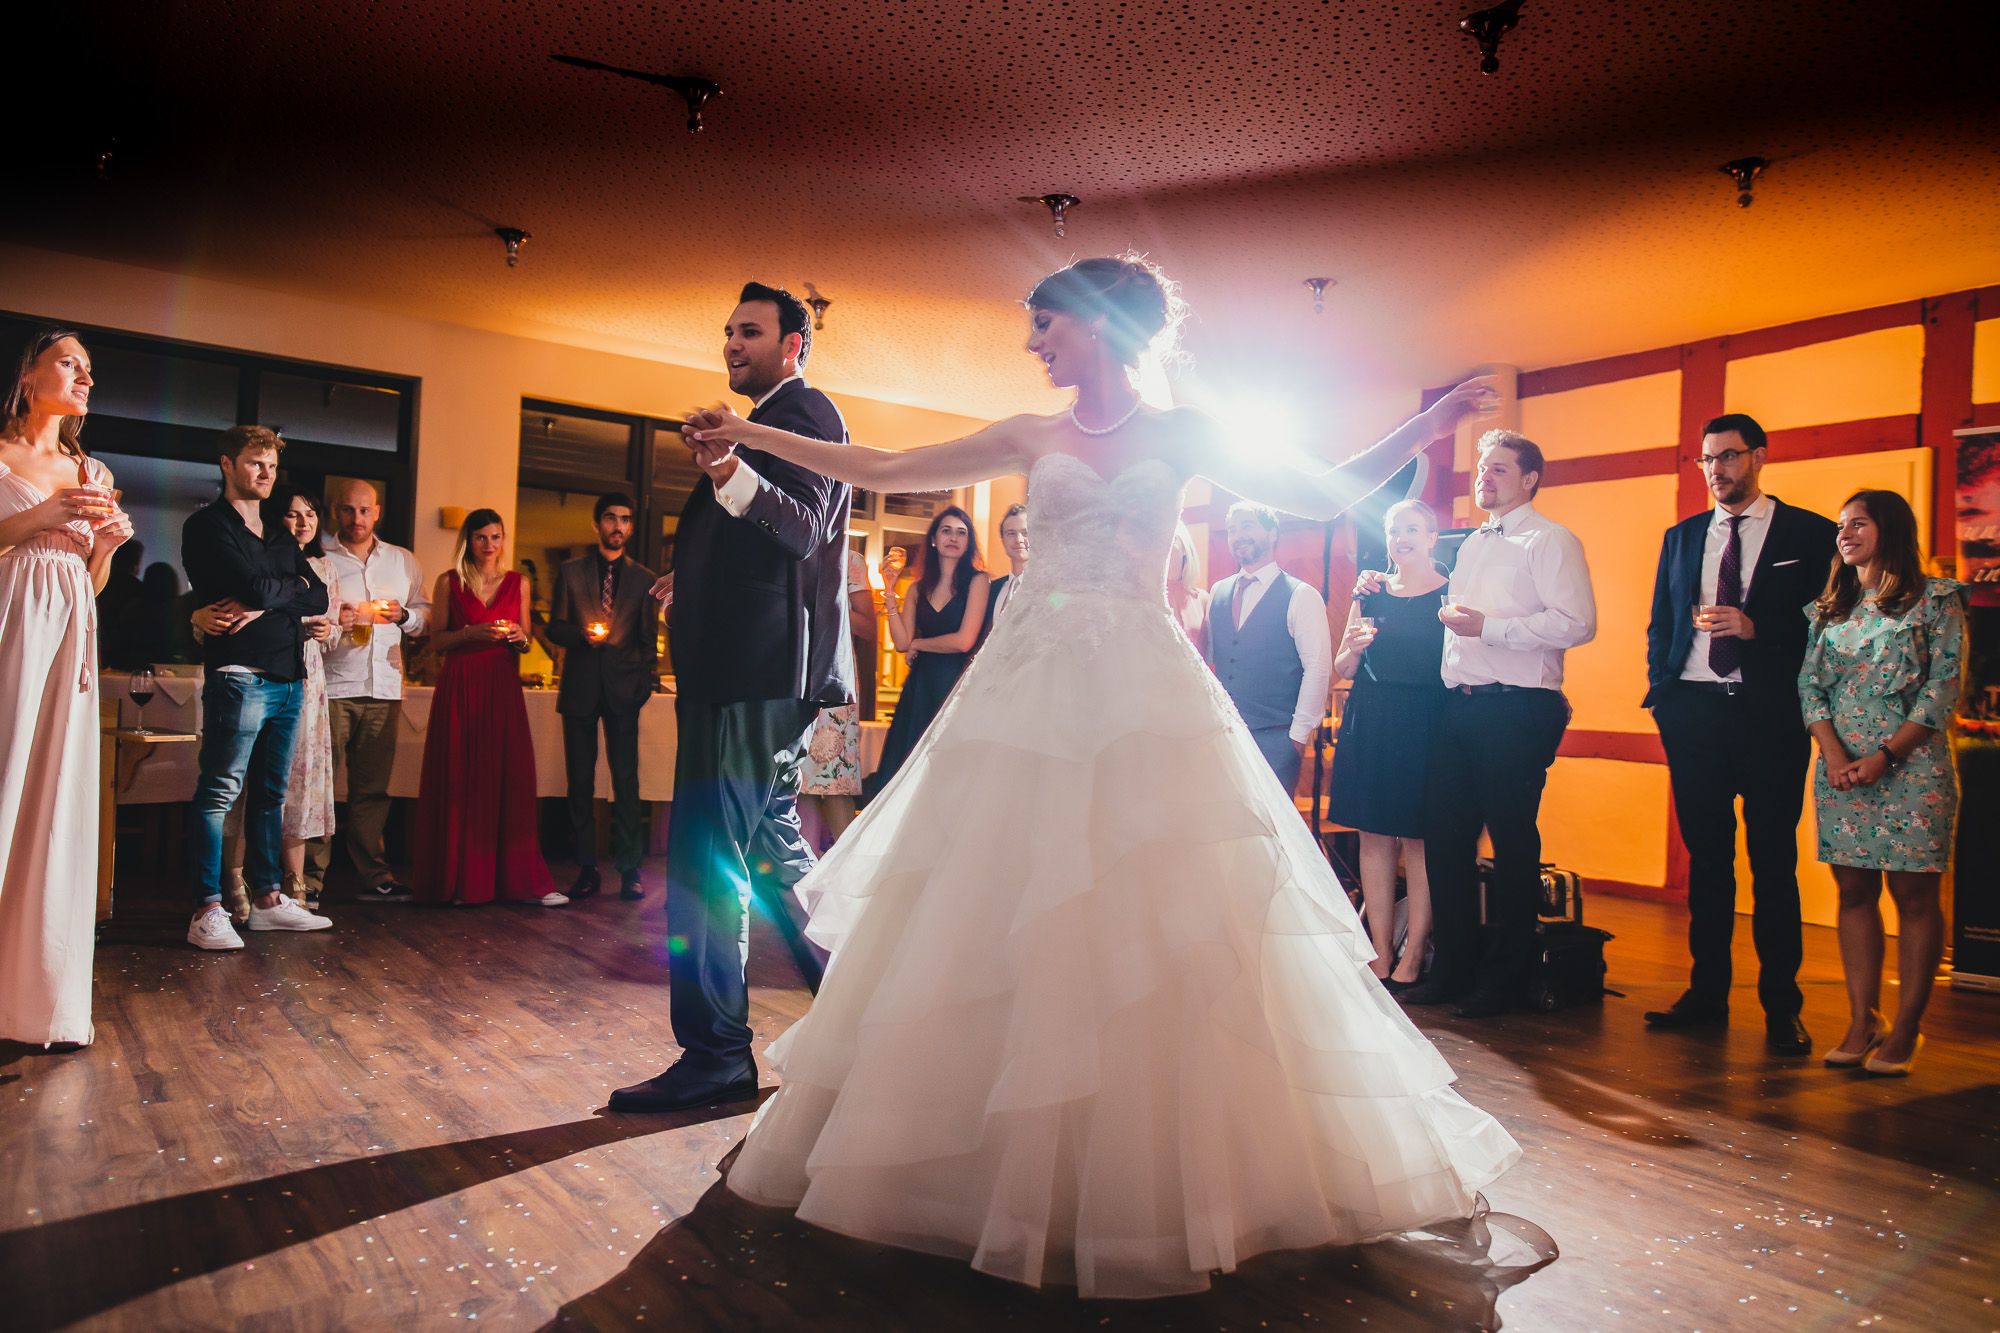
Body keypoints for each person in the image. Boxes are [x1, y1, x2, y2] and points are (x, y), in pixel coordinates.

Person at [676, 256, 1510, 1297]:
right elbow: (886, 464)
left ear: (1105, 326)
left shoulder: (1185, 433)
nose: (1033, 345)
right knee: (1000, 908)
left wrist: (1425, 433)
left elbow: (1317, 489)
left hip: (1145, 691)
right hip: (1026, 691)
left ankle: (1159, 1176)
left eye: (1047, 325)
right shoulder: (1033, 434)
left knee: (1159, 918)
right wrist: (745, 433)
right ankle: (980, 1169)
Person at [610, 281, 853, 1115]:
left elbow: (800, 527)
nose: (731, 343)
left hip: (755, 682)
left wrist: (725, 465)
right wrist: (697, 573)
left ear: (794, 344)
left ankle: (715, 1053)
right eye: (726, 331)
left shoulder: (808, 413)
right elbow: (764, 551)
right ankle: (864, 1017)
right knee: (777, 855)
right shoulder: (772, 422)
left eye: (749, 331)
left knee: (706, 865)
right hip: (746, 675)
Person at [1640, 415, 1838, 1056]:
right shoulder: (1682, 536)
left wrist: (1759, 632)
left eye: (1727, 457)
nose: (1716, 470)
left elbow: (1829, 631)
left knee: (1773, 864)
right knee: (1708, 863)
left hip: (1770, 716)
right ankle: (1706, 994)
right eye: (1706, 460)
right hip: (1693, 713)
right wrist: (1663, 695)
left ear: (1758, 457)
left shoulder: (1811, 534)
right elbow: (1661, 624)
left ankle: (1783, 1008)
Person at [1397, 430, 1595, 1020]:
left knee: (1511, 844)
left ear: (1530, 479)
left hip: (1516, 707)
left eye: (1500, 469)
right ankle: (1453, 968)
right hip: (1459, 706)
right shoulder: (1473, 544)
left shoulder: (1550, 539)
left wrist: (1490, 628)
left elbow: (1576, 623)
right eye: (1483, 468)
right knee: (1446, 839)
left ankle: (1506, 977)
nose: (1486, 477)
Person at [1800, 490, 1966, 1077]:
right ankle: (1861, 1019)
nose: (1844, 533)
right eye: (1841, 525)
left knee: (1915, 897)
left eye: (1858, 523)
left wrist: (1885, 757)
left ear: (1889, 528)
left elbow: (1942, 688)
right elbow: (1810, 688)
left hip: (1912, 768)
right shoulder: (1828, 609)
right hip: (1840, 770)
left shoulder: (1935, 600)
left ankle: (1908, 1029)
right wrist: (1836, 751)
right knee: (1853, 893)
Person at [0, 329, 132, 1048]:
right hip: (10, 621)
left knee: (54, 800)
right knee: (4, 784)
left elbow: (88, 580)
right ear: (27, 372)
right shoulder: (0, 454)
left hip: (71, 630)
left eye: (90, 369)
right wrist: (41, 517)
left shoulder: (92, 467)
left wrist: (104, 544)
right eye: (70, 362)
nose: (84, 376)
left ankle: (32, 1002)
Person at [181, 427, 333, 950]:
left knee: (270, 795)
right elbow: (256, 586)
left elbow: (316, 598)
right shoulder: (207, 527)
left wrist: (273, 596)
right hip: (240, 676)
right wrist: (280, 591)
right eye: (254, 464)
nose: (265, 474)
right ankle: (206, 908)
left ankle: (267, 902)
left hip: (290, 677)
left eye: (270, 465)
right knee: (219, 792)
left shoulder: (277, 529)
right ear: (228, 464)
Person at [414, 508, 563, 907]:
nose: (490, 545)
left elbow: (528, 640)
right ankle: (459, 879)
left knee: (508, 774)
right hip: (461, 684)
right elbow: (436, 641)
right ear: (469, 540)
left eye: (496, 537)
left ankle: (517, 878)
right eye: (481, 537)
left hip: (501, 685)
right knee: (459, 774)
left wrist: (518, 636)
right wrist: (470, 632)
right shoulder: (450, 582)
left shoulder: (519, 583)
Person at [1330, 500, 1449, 992]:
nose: (1402, 537)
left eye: (1413, 529)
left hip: (1428, 720)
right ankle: (1379, 948)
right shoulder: (1370, 591)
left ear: (1431, 537)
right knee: (1374, 836)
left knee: (1421, 839)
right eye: (1394, 529)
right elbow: (1343, 667)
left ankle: (1415, 948)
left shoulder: (1451, 594)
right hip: (1371, 716)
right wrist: (1354, 646)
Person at [317, 478, 430, 902]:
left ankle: (373, 876)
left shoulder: (402, 561)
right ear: (334, 511)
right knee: (320, 787)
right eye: (348, 510)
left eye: (364, 510)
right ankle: (308, 880)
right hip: (332, 686)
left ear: (377, 512)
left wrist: (403, 616)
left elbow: (425, 617)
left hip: (384, 688)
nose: (357, 519)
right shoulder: (318, 558)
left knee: (373, 791)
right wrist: (333, 618)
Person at [546, 492, 657, 901]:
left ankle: (630, 870)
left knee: (626, 781)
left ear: (630, 527)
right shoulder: (570, 572)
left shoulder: (645, 579)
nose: (617, 526)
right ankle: (587, 867)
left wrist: (643, 684)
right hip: (579, 687)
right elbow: (554, 628)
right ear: (597, 524)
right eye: (610, 518)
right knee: (580, 781)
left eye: (624, 520)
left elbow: (650, 641)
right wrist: (581, 635)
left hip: (625, 690)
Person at [1204, 500, 1334, 797]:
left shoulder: (1302, 596)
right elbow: (1210, 660)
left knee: (1273, 836)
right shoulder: (1217, 592)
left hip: (1276, 740)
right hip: (1224, 738)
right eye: (1231, 530)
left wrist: (1297, 739)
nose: (1238, 536)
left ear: (1272, 533)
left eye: (1247, 526)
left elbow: (1317, 670)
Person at [864, 505, 990, 798]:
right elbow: (900, 642)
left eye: (962, 533)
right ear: (933, 538)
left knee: (944, 769)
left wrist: (919, 644)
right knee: (906, 766)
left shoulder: (978, 581)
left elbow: (964, 641)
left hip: (955, 683)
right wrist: (890, 587)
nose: (954, 538)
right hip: (920, 686)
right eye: (946, 530)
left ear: (968, 541)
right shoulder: (917, 589)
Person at [799, 549, 875, 844]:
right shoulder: (787, 552)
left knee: (834, 779)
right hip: (790, 674)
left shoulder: (848, 559)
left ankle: (845, 874)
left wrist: (831, 599)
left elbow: (869, 628)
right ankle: (800, 876)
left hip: (832, 678)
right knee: (796, 779)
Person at [96, 540, 148, 669]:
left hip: (102, 653)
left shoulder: (101, 587)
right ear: (135, 563)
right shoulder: (141, 591)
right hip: (131, 657)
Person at [983, 501, 1029, 636]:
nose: (1019, 539)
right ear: (1002, 539)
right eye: (1011, 533)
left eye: (1026, 533)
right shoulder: (993, 589)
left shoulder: (1051, 589)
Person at [1165, 519, 1210, 655]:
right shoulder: (1145, 596)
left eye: (1170, 538)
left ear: (1184, 548)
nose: (1163, 546)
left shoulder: (1202, 599)